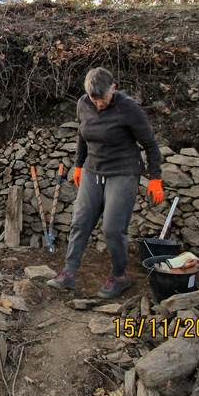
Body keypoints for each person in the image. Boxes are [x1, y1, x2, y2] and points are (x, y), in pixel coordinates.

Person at [47, 67, 164, 298]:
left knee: (112, 228)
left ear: (114, 89)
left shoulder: (128, 108)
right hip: (92, 170)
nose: (99, 104)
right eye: (94, 99)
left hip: (122, 172)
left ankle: (120, 276)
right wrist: (79, 164)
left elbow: (150, 145)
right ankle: (68, 273)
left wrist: (155, 178)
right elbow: (82, 134)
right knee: (80, 222)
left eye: (103, 98)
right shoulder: (83, 104)